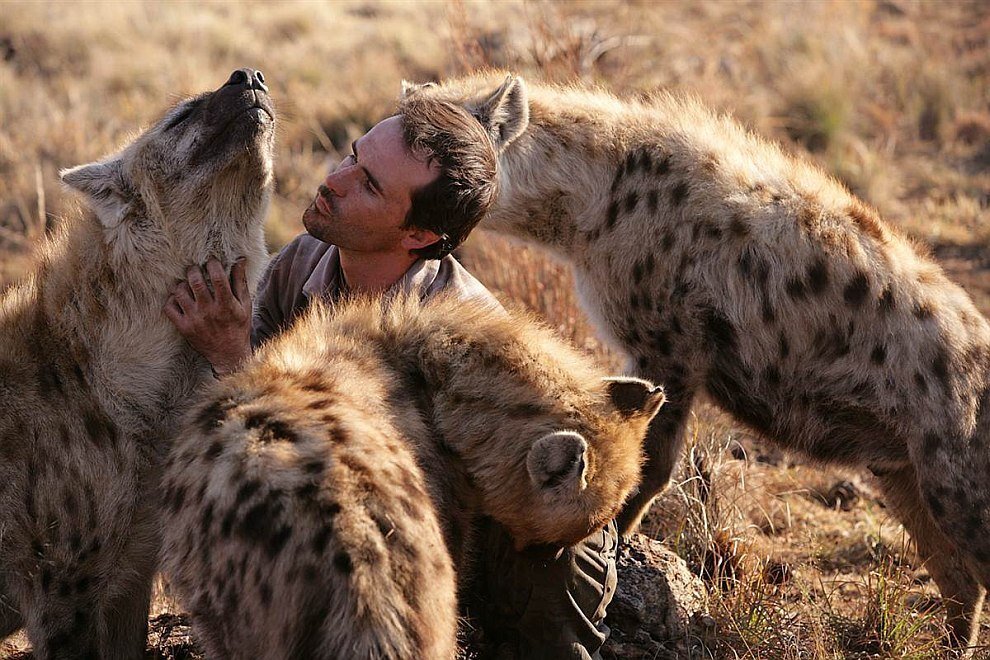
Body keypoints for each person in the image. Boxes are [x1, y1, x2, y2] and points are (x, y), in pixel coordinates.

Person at [164, 94, 618, 660]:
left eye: (370, 185)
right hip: (366, 517)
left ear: (419, 237)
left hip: (463, 528)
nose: (335, 179)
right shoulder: (305, 262)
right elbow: (269, 434)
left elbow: (431, 500)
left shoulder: (463, 335)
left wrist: (231, 357)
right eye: (354, 155)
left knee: (553, 569)